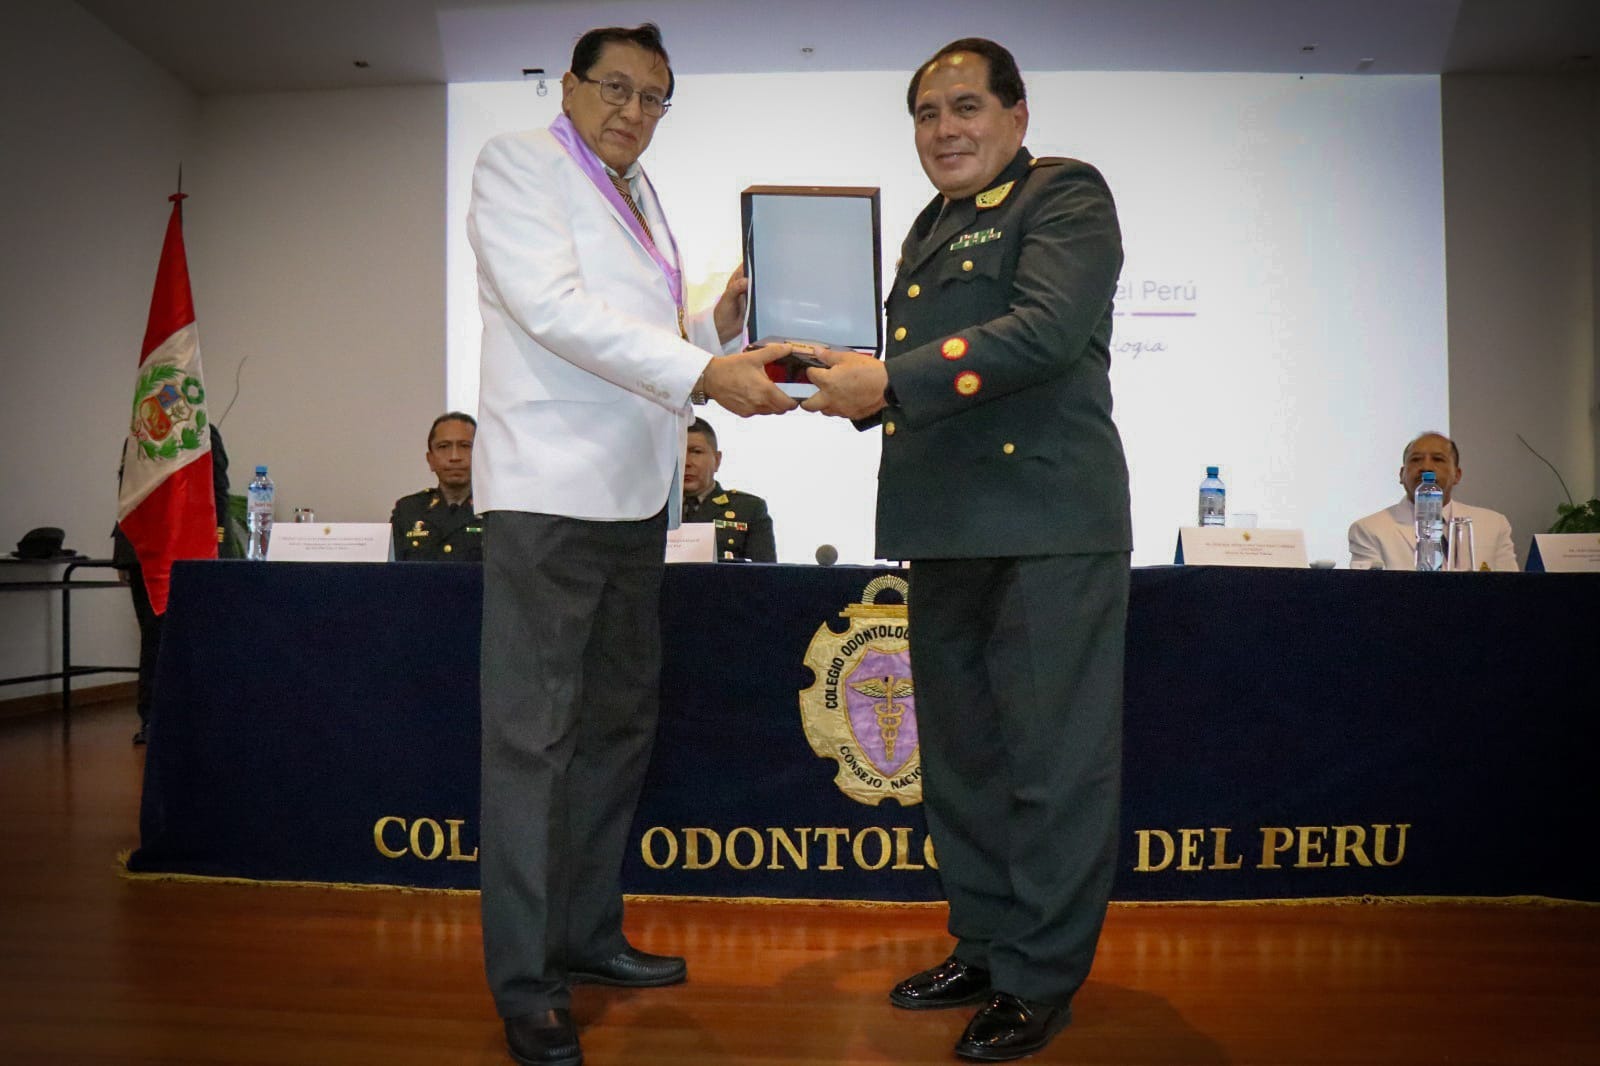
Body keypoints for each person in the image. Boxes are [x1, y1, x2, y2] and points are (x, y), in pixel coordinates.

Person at [466, 22, 796, 1066]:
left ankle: (586, 934)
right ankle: (527, 983)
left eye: (654, 97)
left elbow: (634, 329)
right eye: (615, 87)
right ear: (567, 85)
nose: (633, 111)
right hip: (548, 498)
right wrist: (705, 378)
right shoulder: (516, 163)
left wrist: (712, 324)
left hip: (631, 506)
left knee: (613, 729)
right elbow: (555, 313)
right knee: (532, 743)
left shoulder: (642, 194)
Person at [802, 38, 1130, 1063]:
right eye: (927, 113)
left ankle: (1040, 979)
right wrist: (819, 366)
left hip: (1045, 528)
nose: (945, 129)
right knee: (964, 765)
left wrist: (888, 380)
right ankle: (985, 943)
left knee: (1050, 766)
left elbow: (1041, 332)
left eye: (966, 107)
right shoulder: (929, 225)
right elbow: (909, 372)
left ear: (1018, 116)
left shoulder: (1065, 196)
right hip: (943, 531)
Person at [112, 423, 233, 745]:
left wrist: (217, 548)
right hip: (145, 553)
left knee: (197, 636)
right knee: (154, 637)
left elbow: (216, 493)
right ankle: (152, 719)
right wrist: (124, 555)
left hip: (192, 551)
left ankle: (198, 716)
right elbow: (128, 498)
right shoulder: (139, 433)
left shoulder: (203, 432)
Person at [1348, 431, 1519, 571]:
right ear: (1402, 475)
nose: (1426, 468)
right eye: (1415, 460)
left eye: (1438, 459)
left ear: (1457, 475)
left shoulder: (1493, 524)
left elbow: (1510, 591)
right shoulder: (1369, 529)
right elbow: (1370, 596)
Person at [389, 412, 484, 562]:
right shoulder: (408, 511)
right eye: (444, 446)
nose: (455, 457)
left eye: (465, 446)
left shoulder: (497, 512)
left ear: (482, 455)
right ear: (430, 460)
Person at [681, 416, 776, 562]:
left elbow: (765, 575)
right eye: (678, 451)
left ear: (717, 460)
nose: (686, 462)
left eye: (696, 452)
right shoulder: (652, 508)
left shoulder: (749, 509)